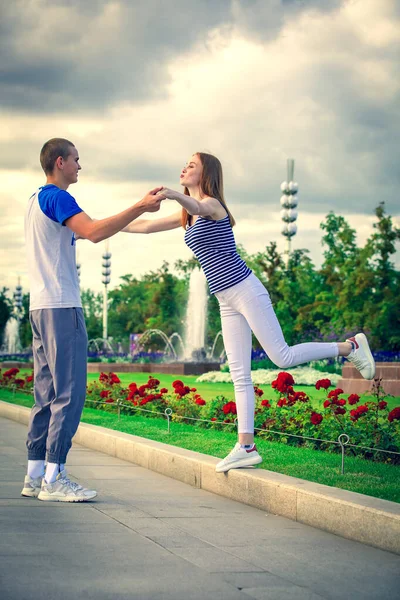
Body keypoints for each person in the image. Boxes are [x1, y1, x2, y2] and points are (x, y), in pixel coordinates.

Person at [122, 151, 376, 473]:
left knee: (281, 356)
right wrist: (107, 225)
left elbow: (199, 206)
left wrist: (173, 194)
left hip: (244, 288)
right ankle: (246, 446)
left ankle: (350, 346)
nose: (184, 167)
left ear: (206, 174)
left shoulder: (214, 205)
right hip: (225, 299)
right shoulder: (185, 217)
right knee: (238, 373)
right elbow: (144, 226)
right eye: (184, 164)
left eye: (192, 165)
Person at [22, 138, 164, 501]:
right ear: (59, 162)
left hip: (39, 307)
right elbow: (95, 232)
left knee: (46, 395)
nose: (79, 166)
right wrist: (141, 205)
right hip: (61, 308)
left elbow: (99, 226)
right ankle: (55, 479)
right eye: (76, 160)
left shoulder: (35, 201)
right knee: (70, 394)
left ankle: (35, 475)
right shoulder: (59, 197)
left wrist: (149, 217)